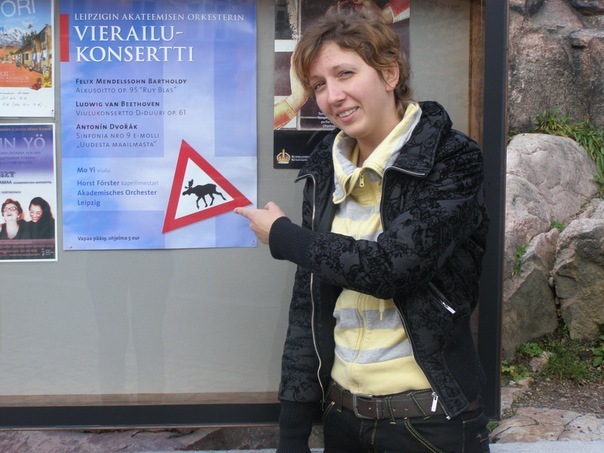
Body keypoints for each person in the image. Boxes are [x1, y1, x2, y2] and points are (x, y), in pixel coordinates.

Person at [236, 7, 489, 452]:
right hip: (344, 419)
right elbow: (308, 304)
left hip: (430, 424)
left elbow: (393, 268)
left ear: (390, 73)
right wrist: (292, 432)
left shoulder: (451, 158)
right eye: (318, 84)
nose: (333, 96)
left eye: (345, 74)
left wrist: (283, 236)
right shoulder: (325, 167)